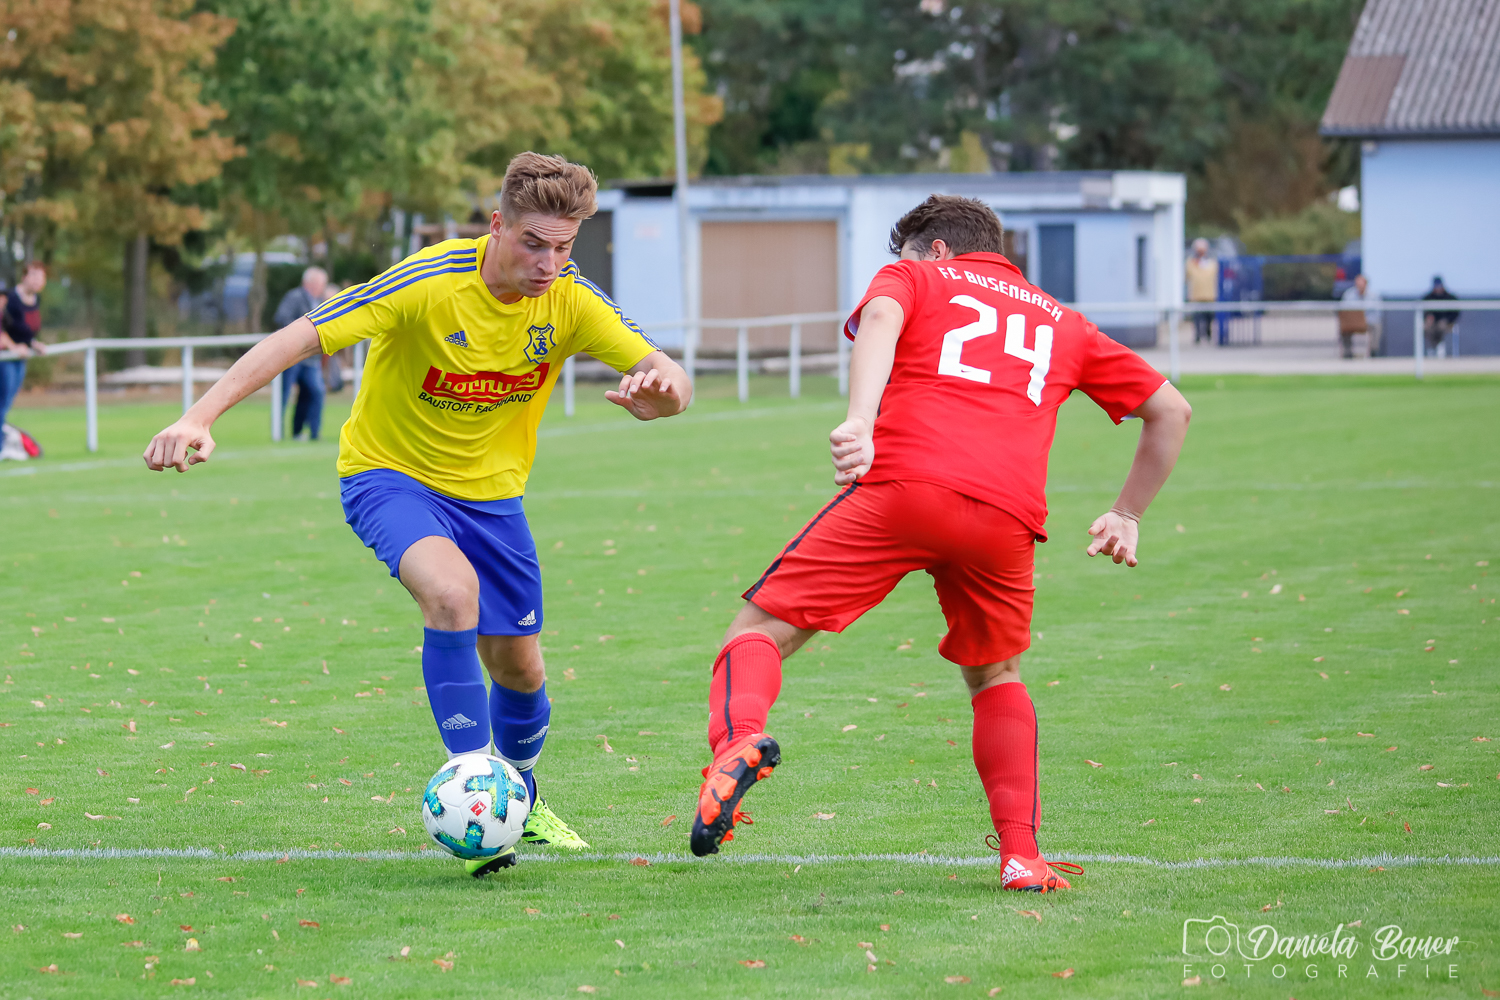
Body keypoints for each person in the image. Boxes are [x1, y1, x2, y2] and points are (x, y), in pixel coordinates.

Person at [144, 152, 692, 876]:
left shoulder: (571, 300)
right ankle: (475, 794)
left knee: (520, 669)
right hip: (389, 477)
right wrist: (200, 415)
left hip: (494, 499)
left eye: (564, 247)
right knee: (449, 592)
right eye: (533, 243)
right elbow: (296, 339)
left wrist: (666, 395)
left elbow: (667, 370)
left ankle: (518, 798)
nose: (548, 263)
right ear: (497, 225)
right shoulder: (428, 281)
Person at [688, 195, 1191, 893]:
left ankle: (740, 738)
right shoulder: (1065, 322)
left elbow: (884, 317)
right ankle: (1023, 857)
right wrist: (1127, 513)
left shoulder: (919, 278)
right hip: (1007, 519)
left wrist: (860, 420)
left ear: (937, 251)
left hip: (906, 489)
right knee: (996, 675)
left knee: (760, 631)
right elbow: (1172, 410)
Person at [272, 267, 330, 439]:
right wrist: (303, 334)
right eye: (320, 283)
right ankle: (278, 432)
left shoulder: (320, 300)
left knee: (315, 392)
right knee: (283, 395)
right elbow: (281, 318)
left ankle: (312, 433)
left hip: (311, 359)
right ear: (309, 283)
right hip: (292, 357)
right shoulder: (294, 297)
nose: (322, 287)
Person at [0, 262, 48, 432]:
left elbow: (24, 331)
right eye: (33, 275)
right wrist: (12, 346)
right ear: (24, 277)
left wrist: (32, 343)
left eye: (41, 277)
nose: (37, 280)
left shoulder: (35, 300)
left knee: (6, 402)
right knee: (2, 402)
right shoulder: (11, 299)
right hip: (5, 357)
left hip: (19, 355)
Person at [1337, 273, 1380, 358]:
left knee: (1377, 326)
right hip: (1352, 322)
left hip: (1368, 321)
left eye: (1361, 283)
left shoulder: (1374, 296)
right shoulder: (1349, 294)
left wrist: (1365, 318)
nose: (1359, 285)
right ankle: (1348, 353)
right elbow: (1344, 309)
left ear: (1366, 284)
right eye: (1357, 283)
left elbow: (1377, 313)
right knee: (1344, 327)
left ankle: (1373, 351)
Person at [1184, 238, 1218, 344]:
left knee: (1209, 317)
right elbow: (1188, 276)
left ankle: (1208, 334)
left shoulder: (1211, 263)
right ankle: (1198, 336)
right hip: (1196, 295)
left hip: (1209, 295)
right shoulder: (1191, 263)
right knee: (1197, 317)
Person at [1422, 276, 1460, 357]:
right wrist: (1428, 317)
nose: (1437, 288)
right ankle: (1433, 348)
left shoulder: (1450, 298)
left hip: (1446, 323)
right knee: (1426, 328)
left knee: (1441, 326)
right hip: (1432, 324)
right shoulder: (1428, 298)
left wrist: (1447, 320)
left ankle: (1439, 346)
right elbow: (1424, 312)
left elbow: (1455, 313)